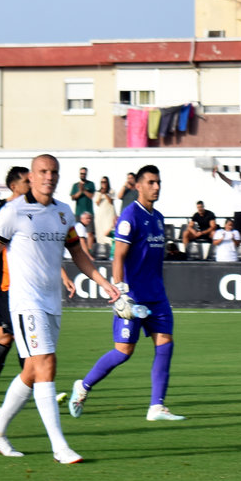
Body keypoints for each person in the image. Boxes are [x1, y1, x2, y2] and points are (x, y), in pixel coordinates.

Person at [0, 154, 120, 464]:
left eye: (53, 172)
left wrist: (102, 281)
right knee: (47, 363)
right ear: (32, 175)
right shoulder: (12, 212)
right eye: (42, 171)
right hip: (25, 302)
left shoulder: (63, 213)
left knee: (31, 370)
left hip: (51, 302)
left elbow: (77, 252)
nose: (48, 176)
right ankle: (59, 447)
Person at [68, 165, 186, 423]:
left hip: (157, 296)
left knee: (166, 345)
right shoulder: (130, 216)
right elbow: (118, 256)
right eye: (151, 182)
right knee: (123, 352)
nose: (156, 187)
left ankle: (157, 406)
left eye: (159, 182)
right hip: (133, 297)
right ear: (139, 186)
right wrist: (121, 293)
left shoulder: (158, 217)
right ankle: (83, 386)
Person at [0, 167, 76, 413]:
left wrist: (61, 273)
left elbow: (40, 250)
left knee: (7, 338)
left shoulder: (36, 210)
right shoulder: (7, 213)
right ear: (14, 186)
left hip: (19, 288)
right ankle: (37, 386)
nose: (30, 185)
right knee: (21, 339)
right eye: (25, 182)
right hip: (6, 288)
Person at [93, 176, 116, 246]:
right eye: (102, 182)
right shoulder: (97, 192)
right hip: (101, 216)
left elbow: (111, 201)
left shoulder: (111, 191)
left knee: (109, 232)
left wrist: (105, 193)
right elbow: (97, 203)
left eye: (104, 182)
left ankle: (111, 249)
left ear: (107, 183)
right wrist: (101, 194)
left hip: (109, 215)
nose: (103, 184)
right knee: (100, 233)